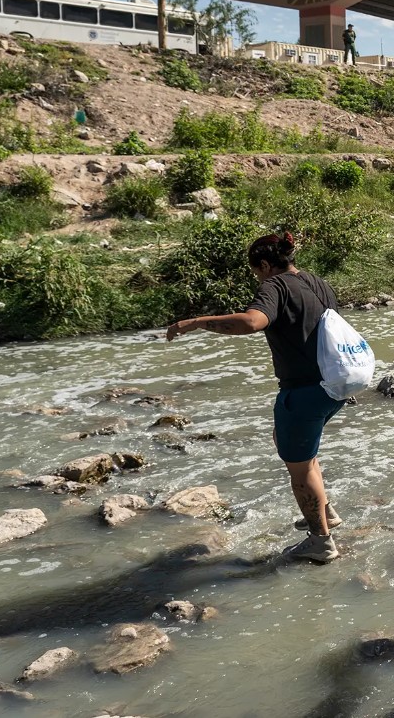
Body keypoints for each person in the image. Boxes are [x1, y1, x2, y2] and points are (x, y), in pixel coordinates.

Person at [165, 232, 345, 564]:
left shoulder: (274, 286)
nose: (257, 277)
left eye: (256, 271)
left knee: (299, 464)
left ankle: (321, 541)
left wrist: (195, 323)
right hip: (334, 386)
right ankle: (325, 512)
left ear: (265, 264)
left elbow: (252, 322)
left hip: (303, 390)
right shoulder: (317, 282)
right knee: (293, 446)